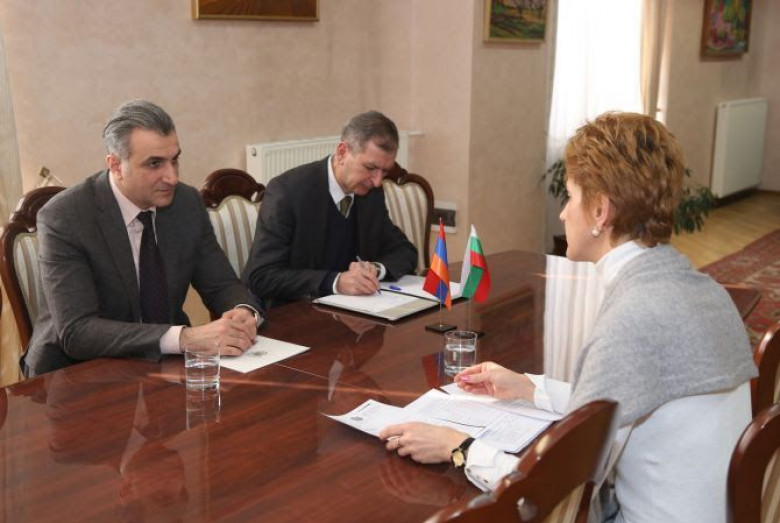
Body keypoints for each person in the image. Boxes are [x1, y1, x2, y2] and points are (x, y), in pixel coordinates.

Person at [379, 112, 757, 522]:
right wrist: (528, 388)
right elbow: (620, 399)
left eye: (571, 197)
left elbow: (564, 491)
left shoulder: (633, 317)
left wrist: (458, 447)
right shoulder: (703, 290)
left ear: (600, 212)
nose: (563, 213)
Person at [23, 99, 262, 377]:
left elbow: (221, 284)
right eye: (154, 163)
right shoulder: (66, 217)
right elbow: (78, 331)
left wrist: (243, 312)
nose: (171, 177)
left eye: (175, 160)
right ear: (116, 165)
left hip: (164, 366)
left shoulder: (186, 203)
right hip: (75, 373)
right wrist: (185, 338)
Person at [242, 110, 417, 306]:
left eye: (384, 171)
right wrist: (335, 282)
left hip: (356, 311)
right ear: (342, 152)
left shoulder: (371, 193)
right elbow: (261, 276)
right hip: (297, 311)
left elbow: (405, 251)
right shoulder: (288, 192)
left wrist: (375, 269)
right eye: (370, 168)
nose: (377, 181)